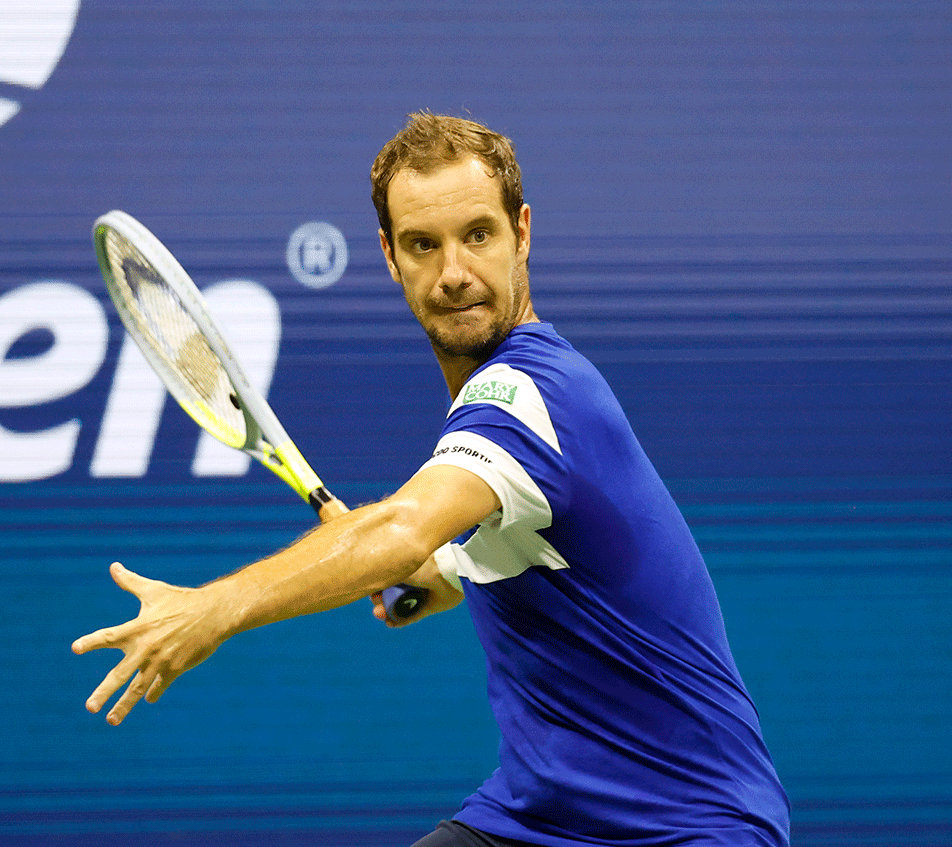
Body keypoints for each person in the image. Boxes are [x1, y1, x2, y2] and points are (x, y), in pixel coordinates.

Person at [73, 112, 791, 846]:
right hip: (536, 821)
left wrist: (213, 608)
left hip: (689, 827)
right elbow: (443, 557)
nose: (454, 273)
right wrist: (422, 581)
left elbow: (402, 527)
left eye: (478, 235)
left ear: (523, 233)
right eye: (424, 244)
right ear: (390, 255)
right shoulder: (500, 424)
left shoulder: (527, 394)